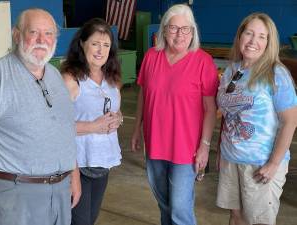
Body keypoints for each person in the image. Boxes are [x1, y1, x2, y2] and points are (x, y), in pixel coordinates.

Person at [0, 8, 81, 225]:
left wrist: (73, 175)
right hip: (14, 195)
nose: (41, 40)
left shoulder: (55, 75)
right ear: (17, 35)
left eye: (48, 34)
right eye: (33, 32)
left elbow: (65, 131)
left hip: (60, 192)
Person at [131, 4, 219, 225]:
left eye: (185, 29)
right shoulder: (152, 56)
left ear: (193, 32)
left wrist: (205, 146)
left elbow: (210, 109)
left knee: (180, 209)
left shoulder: (203, 62)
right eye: (173, 28)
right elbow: (144, 93)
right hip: (155, 145)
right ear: (163, 30)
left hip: (186, 149)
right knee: (164, 205)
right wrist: (136, 129)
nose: (179, 34)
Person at [216, 12, 297, 225]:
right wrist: (221, 151)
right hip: (231, 159)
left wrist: (273, 163)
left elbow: (290, 122)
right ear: (240, 36)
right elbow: (227, 114)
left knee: (259, 222)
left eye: (262, 36)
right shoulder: (232, 70)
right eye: (249, 33)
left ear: (270, 43)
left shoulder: (276, 74)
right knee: (236, 217)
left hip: (260, 164)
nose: (253, 41)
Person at [61, 18, 123, 225]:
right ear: (82, 43)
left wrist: (119, 118)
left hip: (101, 163)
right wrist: (93, 127)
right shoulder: (70, 79)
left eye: (106, 45)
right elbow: (54, 127)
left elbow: (114, 110)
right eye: (95, 43)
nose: (100, 50)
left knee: (90, 220)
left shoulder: (112, 78)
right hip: (78, 164)